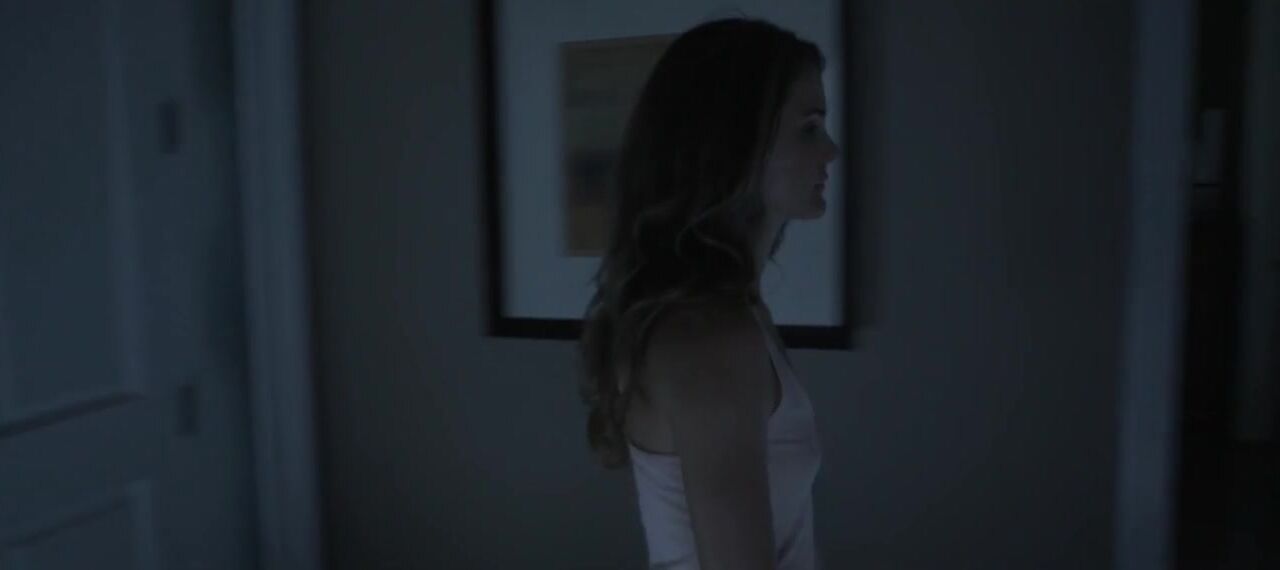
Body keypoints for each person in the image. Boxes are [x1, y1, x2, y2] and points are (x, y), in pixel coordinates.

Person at [577, 16, 838, 570]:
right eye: (809, 128)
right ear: (737, 145)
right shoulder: (712, 335)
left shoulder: (735, 314)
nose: (831, 150)